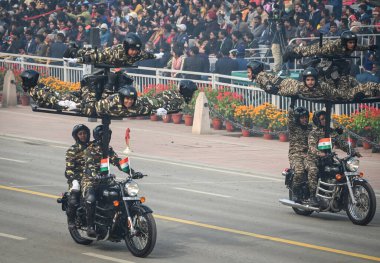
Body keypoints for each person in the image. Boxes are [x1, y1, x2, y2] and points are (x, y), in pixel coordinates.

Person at [81, 125, 129, 237]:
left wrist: (132, 172)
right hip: (91, 180)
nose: (107, 138)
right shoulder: (90, 149)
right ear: (98, 136)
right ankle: (90, 226)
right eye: (104, 135)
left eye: (108, 135)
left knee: (121, 193)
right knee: (91, 198)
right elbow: (90, 165)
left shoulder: (108, 149)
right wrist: (95, 175)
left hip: (106, 181)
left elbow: (118, 162)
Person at [306, 110, 361, 206]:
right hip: (313, 159)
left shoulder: (331, 132)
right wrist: (319, 153)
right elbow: (312, 147)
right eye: (322, 119)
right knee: (313, 170)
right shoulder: (314, 133)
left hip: (328, 158)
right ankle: (312, 197)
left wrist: (353, 151)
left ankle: (337, 195)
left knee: (341, 169)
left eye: (326, 118)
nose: (325, 121)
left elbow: (342, 143)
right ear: (317, 120)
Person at [247, 61, 380, 100]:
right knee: (345, 94)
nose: (248, 74)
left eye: (249, 71)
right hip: (291, 86)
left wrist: (273, 90)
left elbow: (270, 87)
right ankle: (370, 92)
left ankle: (369, 90)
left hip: (291, 87)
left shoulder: (260, 76)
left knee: (345, 95)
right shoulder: (263, 75)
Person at [64, 33, 163, 67]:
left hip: (112, 63)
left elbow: (146, 55)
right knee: (83, 53)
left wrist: (156, 55)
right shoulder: (115, 52)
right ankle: (73, 49)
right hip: (101, 55)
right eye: (132, 50)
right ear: (127, 47)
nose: (135, 52)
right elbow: (94, 57)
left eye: (136, 50)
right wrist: (77, 60)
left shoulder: (138, 53)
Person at [65, 124, 91, 228]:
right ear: (76, 136)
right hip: (77, 177)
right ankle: (71, 219)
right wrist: (74, 179)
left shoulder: (92, 147)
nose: (83, 135)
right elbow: (69, 169)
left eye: (85, 133)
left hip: (91, 176)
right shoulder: (72, 150)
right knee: (75, 189)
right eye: (80, 134)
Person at [288, 104, 312, 203]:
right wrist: (292, 105)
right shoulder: (294, 128)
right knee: (299, 171)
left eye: (306, 117)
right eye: (302, 118)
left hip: (309, 154)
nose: (304, 119)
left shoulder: (310, 128)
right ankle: (295, 191)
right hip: (296, 154)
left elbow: (321, 129)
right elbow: (289, 119)